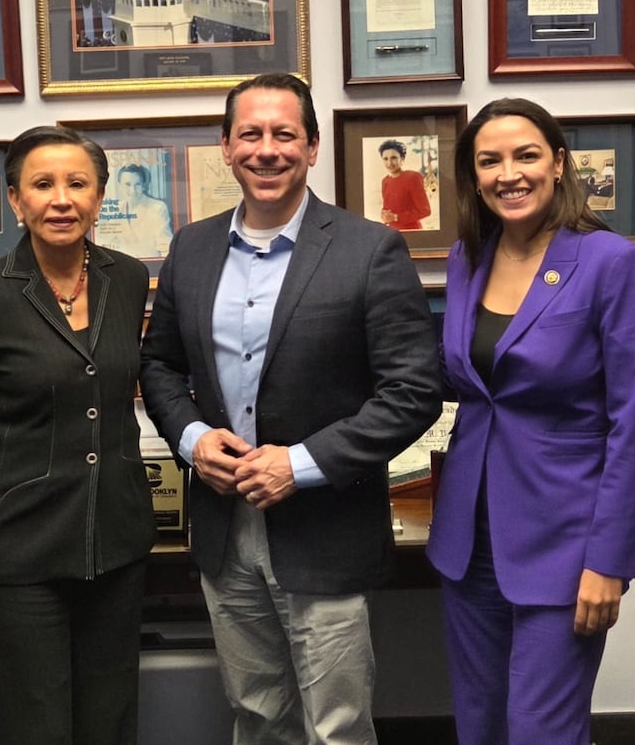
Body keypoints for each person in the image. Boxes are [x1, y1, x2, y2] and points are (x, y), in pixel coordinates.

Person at [140, 72, 442, 745]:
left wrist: (300, 464)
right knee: (256, 717)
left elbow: (414, 390)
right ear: (226, 146)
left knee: (336, 728)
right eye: (250, 134)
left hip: (325, 531)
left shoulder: (370, 249)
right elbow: (158, 365)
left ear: (312, 148)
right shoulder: (191, 248)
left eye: (284, 134)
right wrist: (192, 440)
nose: (266, 149)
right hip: (224, 531)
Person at [426, 98, 635, 745]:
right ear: (474, 178)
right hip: (467, 540)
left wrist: (609, 561)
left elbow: (633, 423)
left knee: (541, 733)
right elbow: (466, 386)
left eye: (526, 155)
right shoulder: (465, 260)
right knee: (482, 728)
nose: (510, 173)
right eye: (489, 160)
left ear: (558, 163)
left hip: (564, 543)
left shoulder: (610, 262)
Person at [0, 126, 157, 745]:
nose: (61, 199)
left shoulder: (128, 280)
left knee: (110, 724)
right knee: (36, 728)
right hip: (16, 555)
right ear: (17, 201)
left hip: (116, 541)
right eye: (43, 184)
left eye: (77, 184)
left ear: (99, 197)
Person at [108, 163, 173, 259]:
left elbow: (165, 247)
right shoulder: (114, 209)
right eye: (128, 184)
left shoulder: (157, 208)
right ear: (120, 186)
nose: (133, 190)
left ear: (143, 186)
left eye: (137, 184)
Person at [378, 138, 431, 230]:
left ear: (402, 158)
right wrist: (384, 215)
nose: (389, 163)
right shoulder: (385, 181)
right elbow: (387, 208)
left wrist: (396, 217)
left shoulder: (413, 177)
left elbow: (425, 210)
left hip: (411, 231)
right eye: (385, 159)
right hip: (392, 232)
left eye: (393, 158)